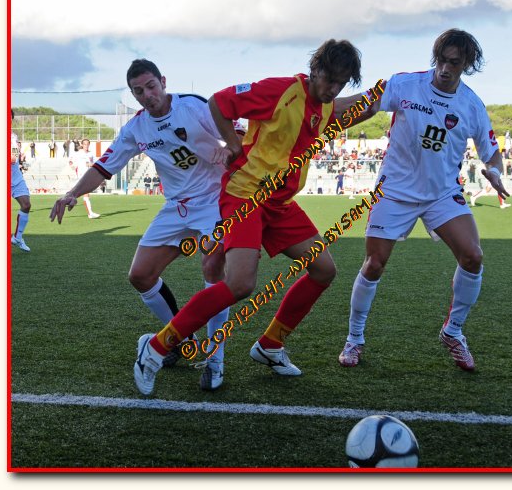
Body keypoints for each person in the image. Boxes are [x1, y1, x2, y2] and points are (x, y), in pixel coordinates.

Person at [133, 39, 379, 396]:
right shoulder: (280, 91)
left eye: (341, 83)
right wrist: (233, 145)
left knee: (324, 269)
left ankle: (271, 344)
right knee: (240, 284)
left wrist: (388, 93)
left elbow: (354, 108)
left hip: (279, 204)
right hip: (246, 195)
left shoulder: (325, 104)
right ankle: (156, 348)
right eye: (330, 80)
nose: (334, 89)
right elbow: (220, 101)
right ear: (315, 70)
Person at [51, 58, 242, 391]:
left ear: (163, 82)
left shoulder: (193, 106)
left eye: (151, 86)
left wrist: (232, 149)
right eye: (138, 91)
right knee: (140, 275)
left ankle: (215, 360)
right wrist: (72, 193)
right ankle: (182, 339)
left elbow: (236, 128)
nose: (147, 95)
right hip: (175, 207)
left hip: (214, 200)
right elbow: (104, 167)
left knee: (213, 268)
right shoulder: (136, 128)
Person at [338, 29, 509, 372]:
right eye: (441, 60)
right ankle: (354, 339)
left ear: (466, 64)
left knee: (473, 256)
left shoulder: (472, 105)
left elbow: (492, 154)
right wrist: (321, 108)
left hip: (442, 193)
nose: (445, 68)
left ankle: (453, 331)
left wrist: (493, 171)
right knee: (374, 263)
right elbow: (365, 104)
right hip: (395, 191)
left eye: (454, 63)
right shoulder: (404, 84)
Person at [10, 110, 32, 252]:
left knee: (26, 204)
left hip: (15, 177)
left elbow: (13, 158)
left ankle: (17, 238)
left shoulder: (13, 137)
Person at [69, 138, 101, 219]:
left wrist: (91, 164)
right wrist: (72, 165)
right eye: (85, 144)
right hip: (81, 175)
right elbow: (70, 161)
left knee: (82, 193)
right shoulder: (78, 153)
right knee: (86, 194)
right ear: (82, 145)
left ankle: (67, 201)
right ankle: (90, 213)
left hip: (88, 175)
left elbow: (95, 164)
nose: (86, 145)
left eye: (87, 144)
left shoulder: (91, 154)